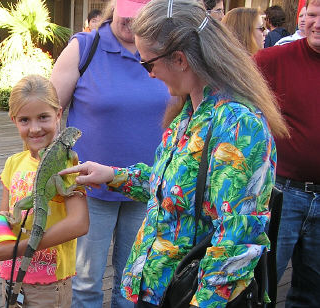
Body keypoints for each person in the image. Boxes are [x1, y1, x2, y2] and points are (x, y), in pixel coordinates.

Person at [60, 0, 289, 307]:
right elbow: (176, 188)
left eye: (148, 64)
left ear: (180, 59)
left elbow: (237, 241)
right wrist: (114, 175)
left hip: (190, 294)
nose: (149, 75)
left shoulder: (238, 126)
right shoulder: (190, 110)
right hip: (162, 288)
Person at [50, 0, 170, 306]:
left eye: (139, 18)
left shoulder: (165, 49)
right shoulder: (85, 47)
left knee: (132, 282)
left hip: (148, 188)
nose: (130, 24)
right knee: (86, 281)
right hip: (90, 189)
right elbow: (50, 111)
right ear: (114, 6)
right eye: (126, 15)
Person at [0, 75, 89, 308]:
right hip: (11, 275)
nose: (35, 128)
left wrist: (17, 248)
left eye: (43, 117)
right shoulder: (13, 163)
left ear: (58, 115)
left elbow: (79, 224)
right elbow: (6, 211)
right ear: (14, 120)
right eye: (25, 120)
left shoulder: (70, 162)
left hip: (49, 282)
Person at [254, 0, 320, 306]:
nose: (317, 23)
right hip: (283, 193)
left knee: (312, 293)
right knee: (262, 287)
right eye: (315, 15)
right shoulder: (272, 59)